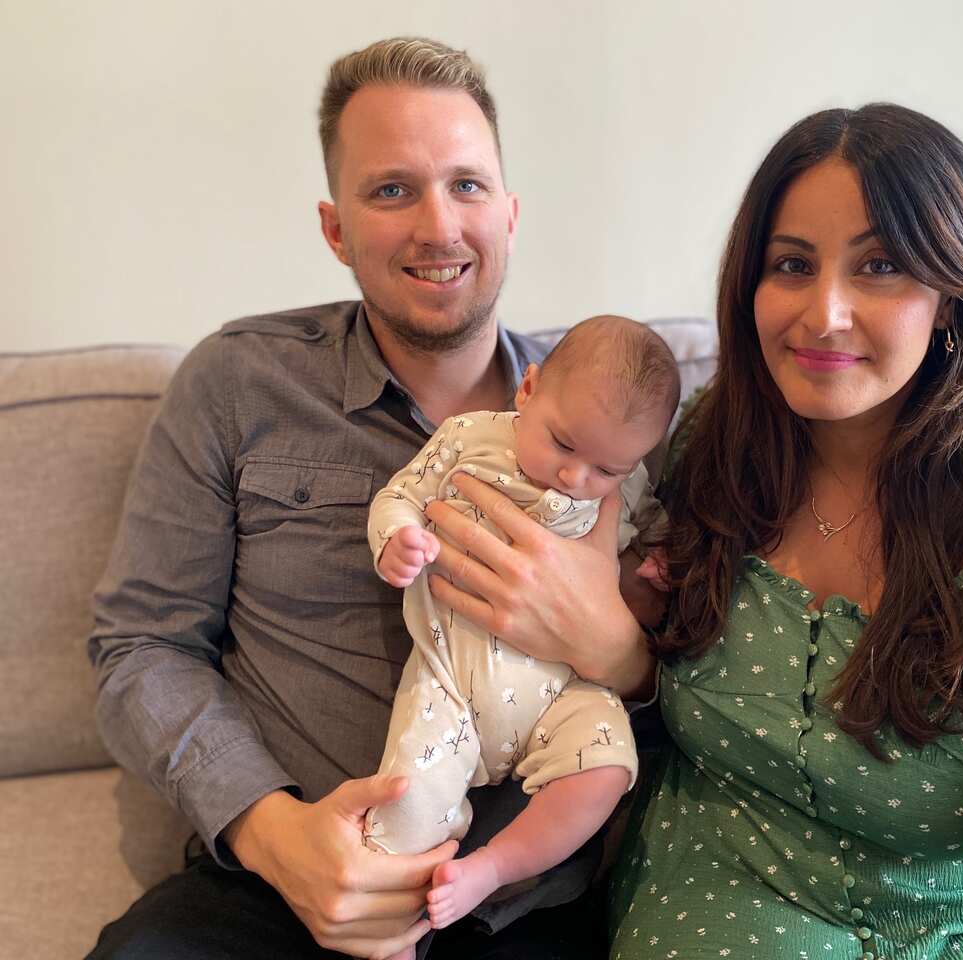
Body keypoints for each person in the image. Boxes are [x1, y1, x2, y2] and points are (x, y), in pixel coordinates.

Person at [87, 37, 656, 960]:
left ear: (510, 214)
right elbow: (138, 645)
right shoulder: (238, 383)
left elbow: (703, 670)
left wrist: (627, 655)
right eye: (392, 190)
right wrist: (276, 837)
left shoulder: (612, 423)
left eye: (468, 186)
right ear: (335, 228)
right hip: (271, 889)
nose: (439, 226)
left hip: (517, 907)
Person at [602, 104, 963, 959]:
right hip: (691, 888)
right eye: (792, 264)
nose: (823, 313)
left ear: (952, 296)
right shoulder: (709, 444)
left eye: (880, 267)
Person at [365, 315, 678, 932]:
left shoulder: (629, 484)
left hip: (567, 686)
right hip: (453, 676)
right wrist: (396, 540)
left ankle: (492, 867)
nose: (576, 477)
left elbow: (654, 531)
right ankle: (388, 934)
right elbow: (399, 495)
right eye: (563, 445)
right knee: (405, 799)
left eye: (606, 470)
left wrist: (660, 565)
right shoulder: (468, 437)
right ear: (528, 390)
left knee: (608, 769)